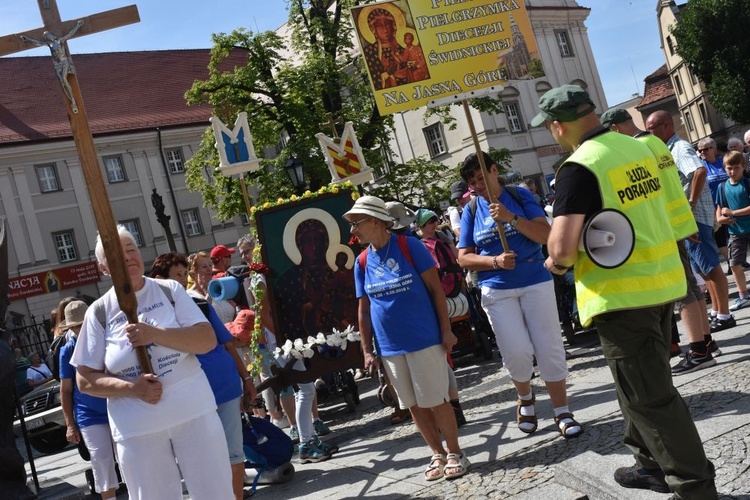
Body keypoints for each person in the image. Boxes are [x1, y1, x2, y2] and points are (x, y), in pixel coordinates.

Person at [539, 85, 716, 499]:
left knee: (650, 398)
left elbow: (562, 247)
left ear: (557, 126)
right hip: (661, 282)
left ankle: (694, 486)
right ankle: (648, 463)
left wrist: (557, 264)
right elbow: (675, 210)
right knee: (634, 386)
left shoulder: (579, 167)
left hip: (620, 296)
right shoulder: (643, 147)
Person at [71, 225, 233, 500]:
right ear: (104, 268)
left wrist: (155, 335)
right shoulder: (99, 312)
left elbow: (206, 339)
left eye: (131, 250)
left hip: (194, 415)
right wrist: (133, 389)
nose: (128, 258)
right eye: (116, 256)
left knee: (215, 494)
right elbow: (84, 379)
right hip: (137, 430)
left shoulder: (169, 291)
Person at [457, 151, 582, 440]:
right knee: (516, 350)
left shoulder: (520, 196)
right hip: (497, 288)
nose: (477, 185)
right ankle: (525, 397)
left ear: (494, 170)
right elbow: (463, 258)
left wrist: (511, 218)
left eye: (480, 177)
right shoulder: (472, 211)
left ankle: (562, 410)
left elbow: (545, 235)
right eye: (472, 182)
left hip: (534, 279)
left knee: (548, 345)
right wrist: (494, 262)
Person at [346, 195, 470, 481]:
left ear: (376, 221)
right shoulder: (362, 261)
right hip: (389, 347)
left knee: (437, 399)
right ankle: (436, 453)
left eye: (357, 223)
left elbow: (436, 290)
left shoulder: (409, 245)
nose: (353, 230)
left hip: (423, 338)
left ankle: (455, 452)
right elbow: (363, 310)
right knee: (412, 404)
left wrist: (446, 329)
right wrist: (367, 349)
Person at [601, 107, 719, 373]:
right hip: (678, 220)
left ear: (614, 129)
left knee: (682, 290)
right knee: (690, 284)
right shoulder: (655, 142)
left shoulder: (635, 149)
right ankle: (707, 341)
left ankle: (699, 350)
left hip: (663, 226)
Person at [150, 252, 255, 500]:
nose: (182, 280)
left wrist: (247, 379)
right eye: (176, 276)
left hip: (222, 385)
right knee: (202, 460)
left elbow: (228, 345)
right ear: (158, 280)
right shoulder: (151, 319)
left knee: (232, 453)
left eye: (184, 274)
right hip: (190, 396)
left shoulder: (198, 305)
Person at [236, 234, 334, 461]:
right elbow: (265, 314)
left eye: (249, 251)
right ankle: (307, 445)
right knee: (305, 390)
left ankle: (309, 438)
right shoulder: (258, 278)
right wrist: (283, 340)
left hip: (284, 339)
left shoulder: (261, 275)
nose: (246, 256)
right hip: (282, 342)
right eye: (244, 254)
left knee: (305, 389)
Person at [646, 110, 734, 334]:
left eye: (651, 128)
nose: (649, 133)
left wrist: (691, 202)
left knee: (711, 267)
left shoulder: (679, 148)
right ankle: (716, 311)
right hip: (690, 218)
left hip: (696, 217)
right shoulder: (670, 148)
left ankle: (725, 314)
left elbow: (699, 171)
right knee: (703, 269)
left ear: (666, 125)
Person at [58, 300, 118, 499]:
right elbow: (65, 390)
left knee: (129, 457)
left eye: (82, 324)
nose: (79, 329)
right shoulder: (67, 350)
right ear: (70, 328)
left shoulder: (106, 339)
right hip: (88, 414)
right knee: (101, 459)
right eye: (75, 326)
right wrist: (70, 424)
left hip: (117, 405)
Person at [415, 208, 467, 426]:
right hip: (445, 299)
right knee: (444, 360)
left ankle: (451, 410)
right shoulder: (435, 243)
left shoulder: (423, 246)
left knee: (441, 360)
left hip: (434, 305)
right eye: (429, 223)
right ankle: (455, 409)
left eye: (434, 222)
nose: (433, 226)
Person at [716, 152, 750, 309]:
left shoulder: (747, 183)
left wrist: (733, 213)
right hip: (735, 232)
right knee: (735, 264)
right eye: (729, 168)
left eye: (736, 168)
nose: (732, 171)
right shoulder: (722, 187)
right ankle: (743, 295)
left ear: (743, 166)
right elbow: (719, 207)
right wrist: (719, 219)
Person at [697, 137, 731, 275]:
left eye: (706, 149)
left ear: (714, 148)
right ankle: (732, 261)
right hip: (713, 208)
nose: (703, 152)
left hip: (730, 204)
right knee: (720, 237)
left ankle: (735, 261)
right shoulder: (701, 166)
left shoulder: (723, 162)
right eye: (700, 150)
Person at [361, 8, 407, 90]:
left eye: (388, 24)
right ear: (373, 29)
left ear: (393, 25)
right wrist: (388, 73)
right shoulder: (370, 51)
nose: (385, 30)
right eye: (379, 26)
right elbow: (375, 79)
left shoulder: (401, 46)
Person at [188, 251, 236, 323]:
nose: (209, 269)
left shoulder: (218, 287)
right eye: (204, 267)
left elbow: (232, 312)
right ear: (194, 274)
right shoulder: (190, 297)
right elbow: (203, 318)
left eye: (210, 265)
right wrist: (207, 291)